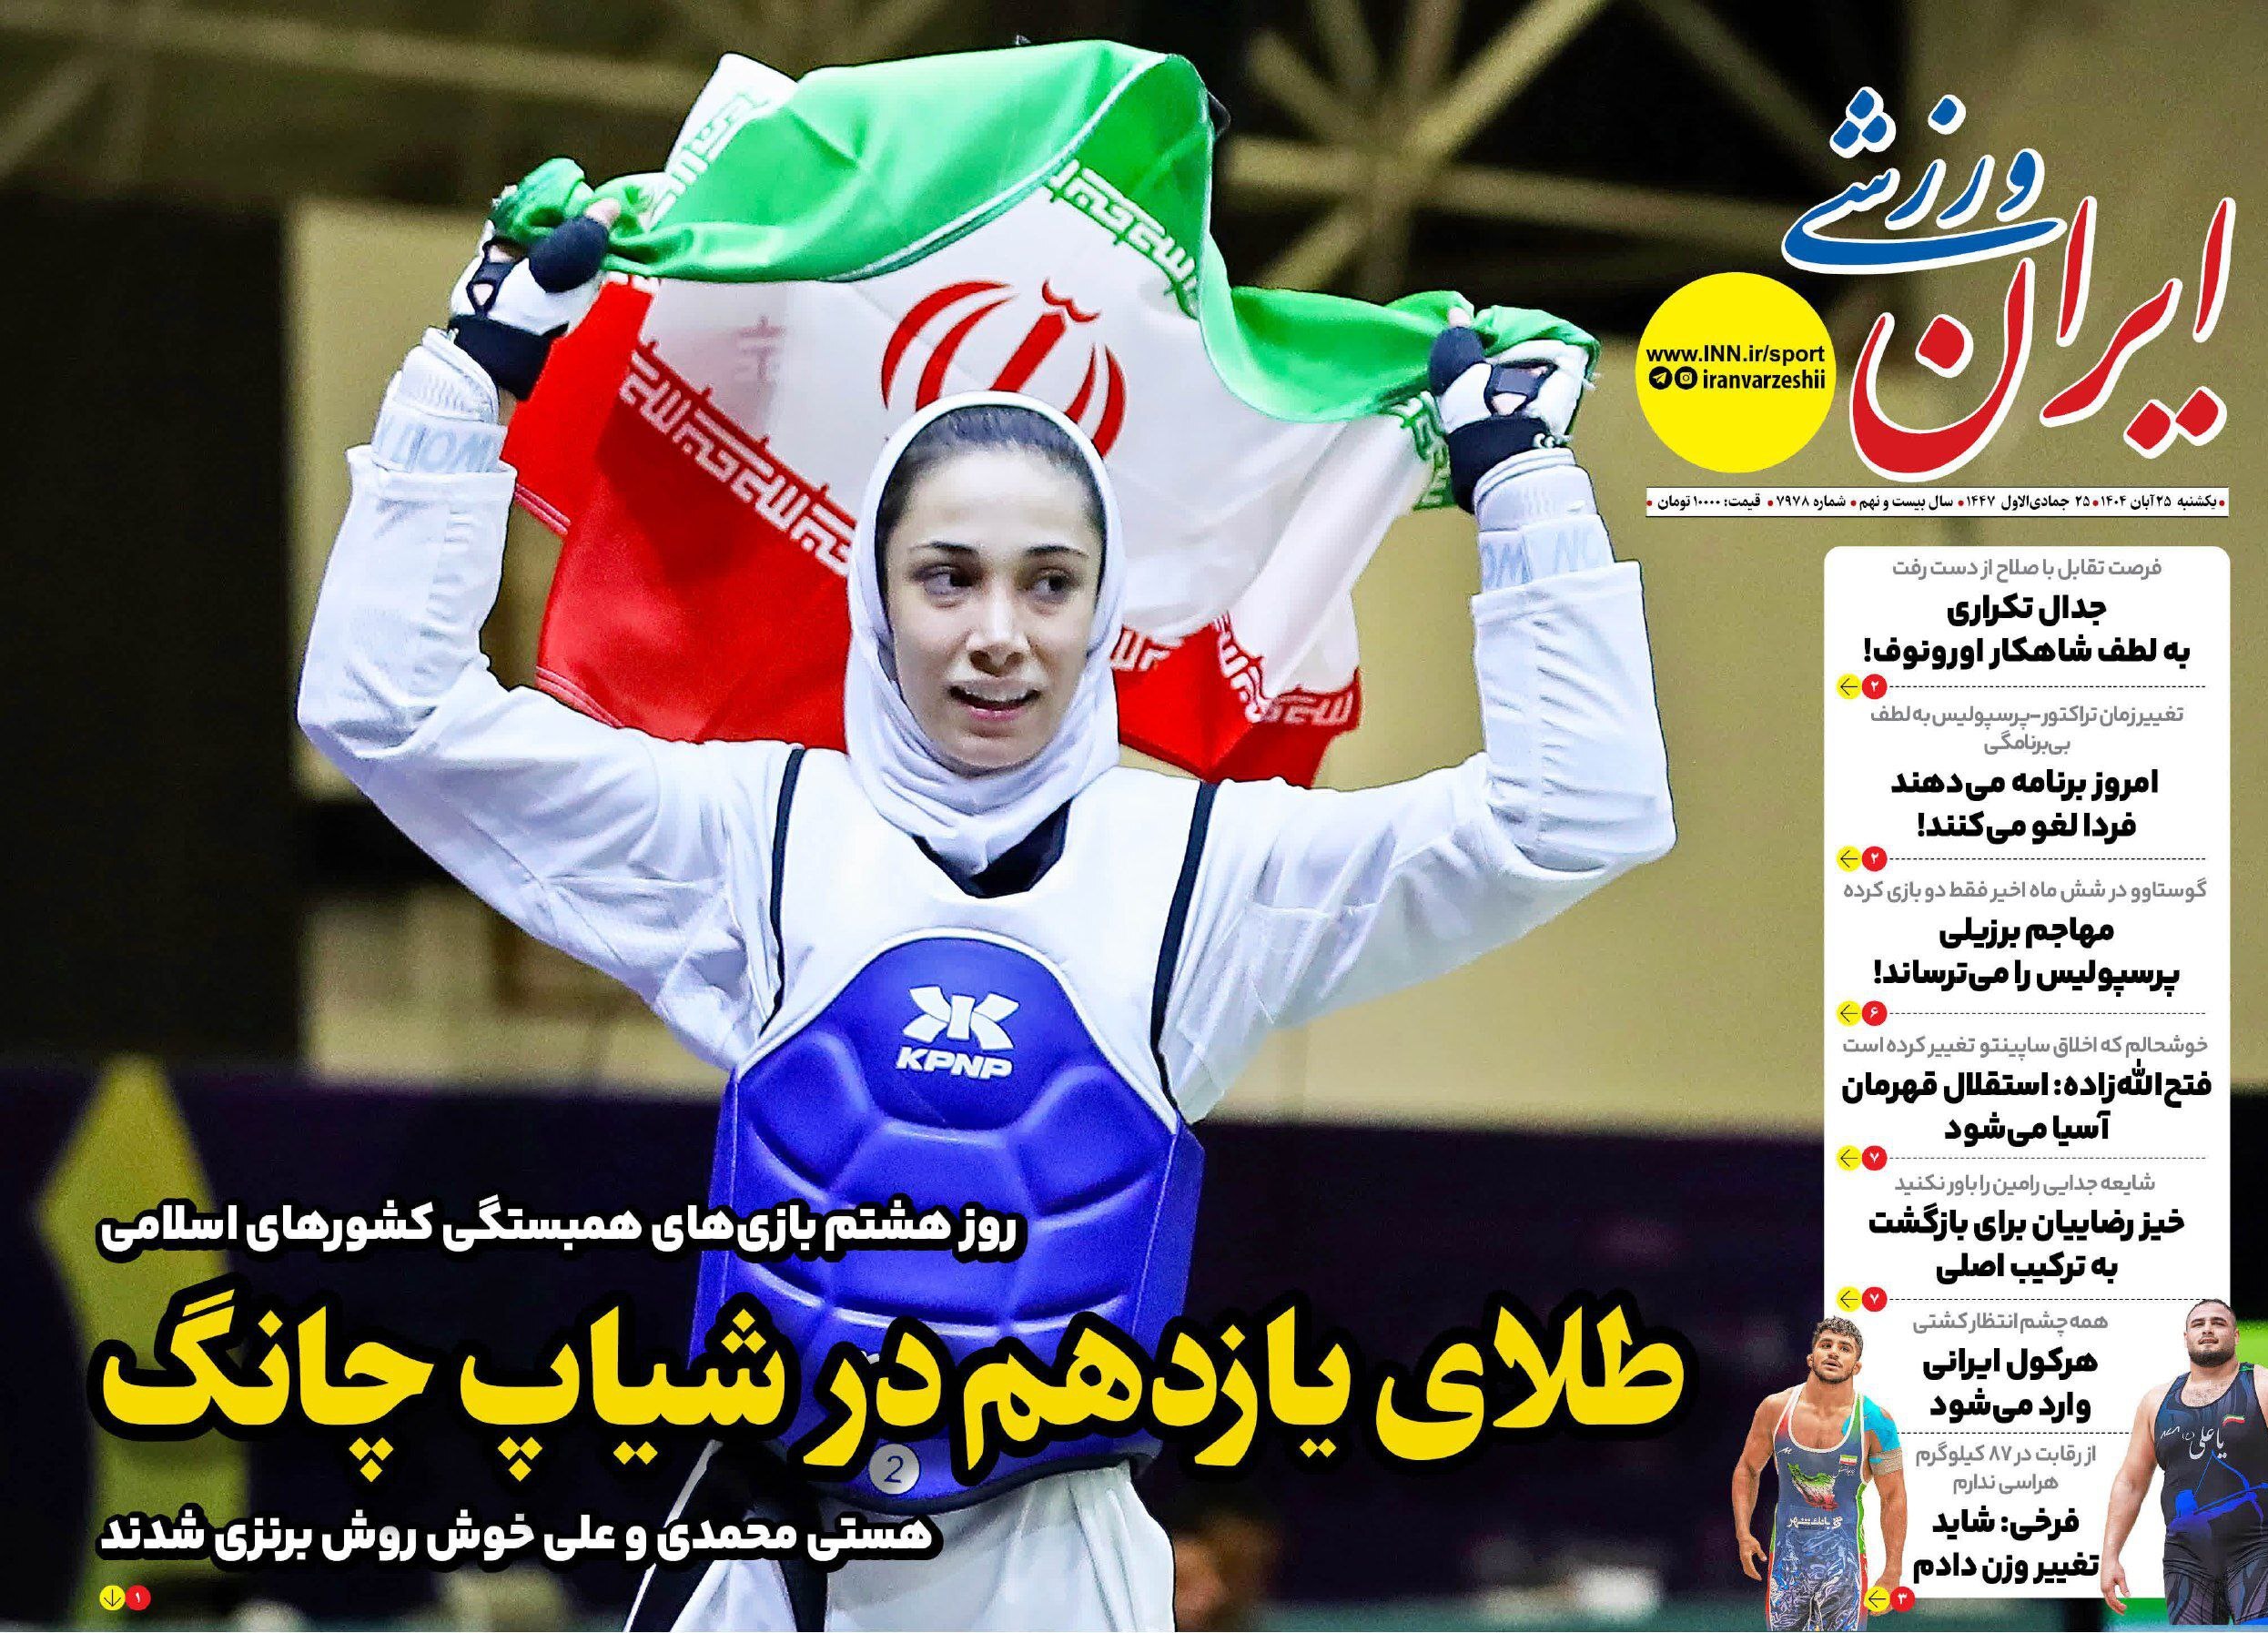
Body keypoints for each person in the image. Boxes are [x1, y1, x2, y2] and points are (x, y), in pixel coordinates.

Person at [299, 207, 1675, 1631]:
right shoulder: (758, 836)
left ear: (1103, 606)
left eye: (1049, 582)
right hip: (770, 1564)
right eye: (947, 576)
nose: (999, 632)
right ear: (876, 596)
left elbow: (1576, 813)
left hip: (1055, 1574)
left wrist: (1528, 485)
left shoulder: (1202, 873)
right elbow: (386, 711)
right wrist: (468, 371)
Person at [2099, 1299, 2268, 1626]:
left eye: (2218, 1322)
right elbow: (2131, 1482)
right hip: (2185, 1562)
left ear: (2236, 1335)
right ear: (2186, 1337)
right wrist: (2110, 1555)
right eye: (2198, 1324)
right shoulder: (2156, 1403)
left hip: (2257, 1551)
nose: (2207, 1329)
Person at [1732, 1317, 1906, 1630]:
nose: (1834, 1352)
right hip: (1788, 1564)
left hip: (1845, 1566)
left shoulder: (1876, 1422)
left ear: (1857, 1366)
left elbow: (1893, 1496)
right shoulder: (1775, 1409)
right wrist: (1743, 1533)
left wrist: (1893, 1570)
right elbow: (1747, 1469)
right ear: (1811, 1358)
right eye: (1826, 1345)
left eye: (1845, 1348)